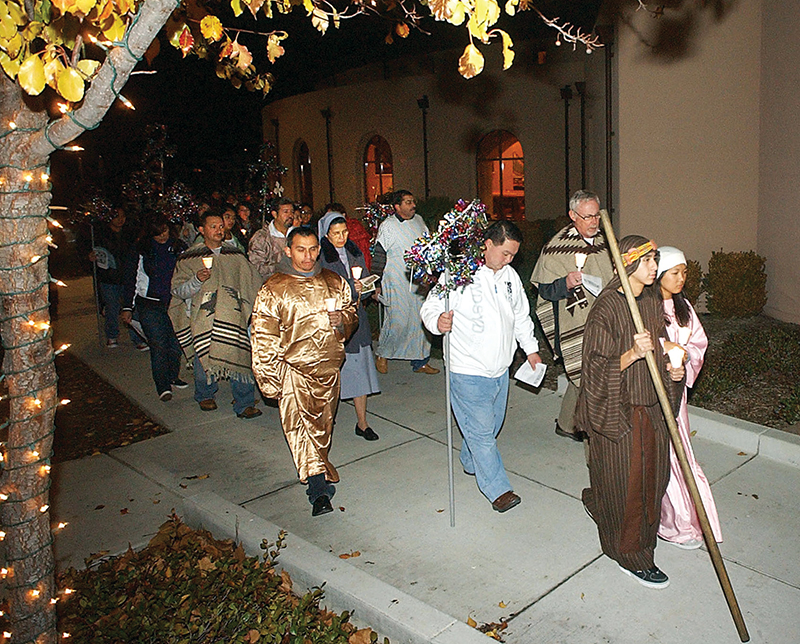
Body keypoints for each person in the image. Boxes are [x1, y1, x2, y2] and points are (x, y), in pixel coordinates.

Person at [576, 235, 685, 589]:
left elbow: (658, 345)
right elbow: (591, 369)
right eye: (649, 261)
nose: (655, 267)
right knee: (629, 486)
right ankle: (630, 554)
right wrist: (630, 355)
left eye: (655, 260)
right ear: (628, 265)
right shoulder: (606, 308)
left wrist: (672, 367)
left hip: (651, 406)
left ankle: (609, 510)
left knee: (655, 480)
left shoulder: (651, 300)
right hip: (621, 411)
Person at [420, 221, 541, 512]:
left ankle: (470, 458)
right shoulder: (458, 275)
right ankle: (498, 490)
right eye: (506, 253)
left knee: (489, 427)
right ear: (488, 244)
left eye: (513, 255)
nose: (510, 259)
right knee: (483, 432)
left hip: (500, 369)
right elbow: (430, 307)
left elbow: (521, 317)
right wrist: (438, 322)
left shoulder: (510, 277)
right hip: (467, 369)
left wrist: (532, 350)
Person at [251, 226, 358, 516]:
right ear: (288, 250)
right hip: (293, 372)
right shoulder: (274, 288)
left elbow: (351, 314)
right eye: (300, 249)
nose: (308, 256)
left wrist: (342, 320)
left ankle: (320, 473)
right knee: (303, 432)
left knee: (322, 429)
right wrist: (269, 378)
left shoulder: (334, 281)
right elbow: (263, 336)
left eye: (313, 249)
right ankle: (318, 492)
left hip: (329, 370)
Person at [530, 190, 615, 441]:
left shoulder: (603, 240)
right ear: (572, 215)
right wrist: (565, 283)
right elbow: (545, 290)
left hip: (605, 317)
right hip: (574, 321)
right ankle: (581, 425)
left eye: (596, 216)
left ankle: (568, 423)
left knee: (590, 372)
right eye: (587, 217)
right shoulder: (556, 248)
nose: (593, 222)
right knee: (584, 371)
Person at [656, 246, 723, 549]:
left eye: (684, 272)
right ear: (658, 275)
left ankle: (688, 520)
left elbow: (699, 342)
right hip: (656, 393)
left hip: (677, 393)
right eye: (675, 273)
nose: (682, 278)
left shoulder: (683, 307)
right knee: (668, 452)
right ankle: (674, 523)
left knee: (680, 450)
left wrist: (684, 357)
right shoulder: (649, 308)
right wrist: (668, 355)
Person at [169, 210, 263, 418]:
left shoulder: (235, 255)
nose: (219, 230)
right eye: (213, 226)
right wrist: (196, 280)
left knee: (241, 355)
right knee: (205, 356)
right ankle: (205, 394)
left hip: (234, 315)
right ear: (202, 230)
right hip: (204, 318)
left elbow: (252, 282)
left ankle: (244, 403)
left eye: (221, 226)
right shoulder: (189, 257)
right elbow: (177, 290)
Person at [318, 213, 382, 441]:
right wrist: (349, 289)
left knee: (359, 369)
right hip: (333, 322)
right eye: (336, 233)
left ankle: (362, 422)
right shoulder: (321, 256)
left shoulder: (354, 251)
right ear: (327, 235)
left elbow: (363, 280)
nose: (341, 237)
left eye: (344, 232)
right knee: (332, 374)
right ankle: (325, 420)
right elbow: (323, 288)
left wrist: (366, 287)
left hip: (357, 319)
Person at [372, 190, 438, 375]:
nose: (412, 205)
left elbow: (428, 246)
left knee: (421, 319)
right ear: (397, 206)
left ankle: (421, 361)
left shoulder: (419, 220)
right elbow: (379, 255)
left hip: (418, 280)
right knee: (398, 320)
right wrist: (375, 284)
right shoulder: (388, 226)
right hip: (396, 280)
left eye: (413, 201)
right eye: (408, 202)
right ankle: (383, 354)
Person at [121, 215, 187, 401]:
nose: (162, 236)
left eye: (165, 231)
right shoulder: (141, 249)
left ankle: (173, 375)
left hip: (174, 302)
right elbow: (131, 278)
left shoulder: (178, 246)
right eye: (158, 234)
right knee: (158, 344)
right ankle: (163, 385)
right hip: (150, 303)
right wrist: (127, 306)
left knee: (175, 343)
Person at [88, 207, 145, 349]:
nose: (120, 220)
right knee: (112, 307)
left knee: (131, 307)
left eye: (123, 216)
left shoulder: (129, 234)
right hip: (109, 277)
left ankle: (137, 337)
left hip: (128, 275)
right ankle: (112, 335)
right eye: (117, 216)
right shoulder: (102, 235)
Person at [249, 198, 295, 280]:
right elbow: (255, 267)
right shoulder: (261, 237)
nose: (290, 215)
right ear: (275, 214)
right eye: (286, 212)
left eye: (292, 212)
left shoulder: (297, 234)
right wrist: (281, 267)